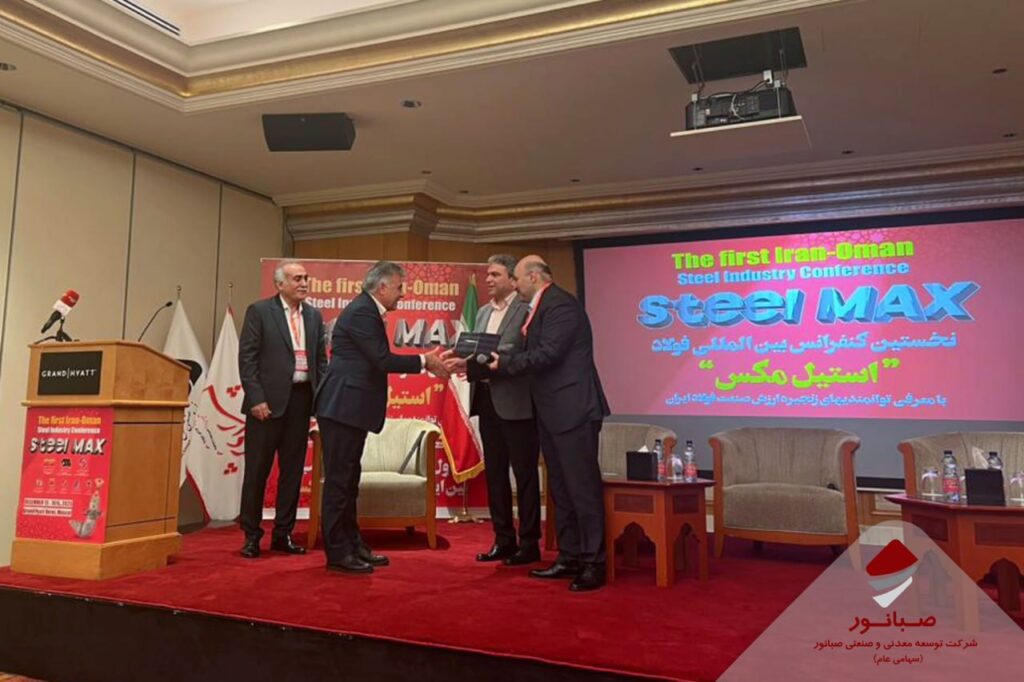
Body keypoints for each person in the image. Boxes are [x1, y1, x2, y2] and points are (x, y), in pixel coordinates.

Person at [452, 255, 610, 591]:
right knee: (561, 490)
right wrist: (482, 364)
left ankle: (594, 563)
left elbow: (548, 354)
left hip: (572, 410)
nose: (515, 283)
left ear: (534, 277)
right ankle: (569, 557)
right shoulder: (541, 305)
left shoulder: (560, 305)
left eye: (518, 278)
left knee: (581, 489)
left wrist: (502, 364)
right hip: (551, 411)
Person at [315, 261, 449, 574]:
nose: (403, 294)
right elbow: (382, 360)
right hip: (342, 407)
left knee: (349, 482)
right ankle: (338, 553)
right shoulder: (363, 311)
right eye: (400, 287)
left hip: (350, 408)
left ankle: (353, 545)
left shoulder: (368, 309)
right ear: (383, 287)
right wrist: (425, 361)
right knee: (339, 483)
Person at [444, 255, 541, 566]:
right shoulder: (483, 312)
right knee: (496, 474)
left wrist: (485, 360)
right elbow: (478, 351)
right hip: (486, 401)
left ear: (513, 280)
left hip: (517, 403)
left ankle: (529, 544)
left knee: (524, 475)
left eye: (495, 275)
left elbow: (523, 354)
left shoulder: (526, 310)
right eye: (487, 275)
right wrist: (462, 360)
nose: (488, 279)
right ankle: (503, 540)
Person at [238, 260, 327, 559]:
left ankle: (283, 534)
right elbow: (247, 359)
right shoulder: (260, 311)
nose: (304, 283)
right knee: (257, 473)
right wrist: (256, 399)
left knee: (292, 472)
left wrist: (320, 400)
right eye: (297, 279)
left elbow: (320, 361)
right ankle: (251, 536)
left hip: (301, 401)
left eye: (305, 278)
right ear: (280, 284)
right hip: (266, 405)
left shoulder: (313, 316)